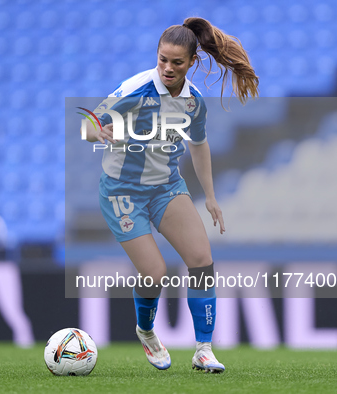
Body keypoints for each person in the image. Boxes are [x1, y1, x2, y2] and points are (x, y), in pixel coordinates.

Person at [83, 17, 259, 373]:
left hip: (166, 187)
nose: (167, 67)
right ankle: (147, 332)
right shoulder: (136, 88)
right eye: (162, 59)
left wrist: (209, 196)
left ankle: (204, 349)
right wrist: (98, 133)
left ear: (192, 62)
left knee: (201, 261)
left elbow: (199, 145)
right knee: (155, 273)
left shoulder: (193, 102)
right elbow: (89, 123)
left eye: (176, 62)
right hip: (122, 191)